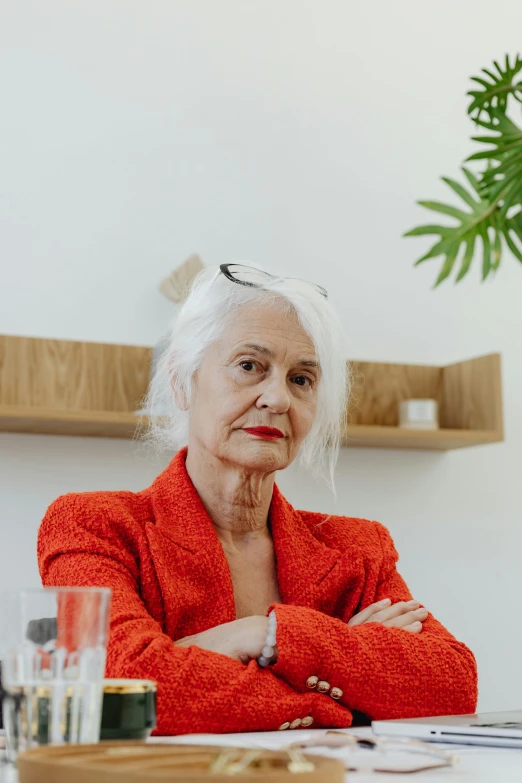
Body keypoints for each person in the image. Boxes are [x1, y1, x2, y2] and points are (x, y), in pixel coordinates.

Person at [38, 264, 477, 735]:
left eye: (302, 379)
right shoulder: (92, 524)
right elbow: (121, 687)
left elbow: (452, 684)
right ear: (182, 381)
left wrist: (266, 636)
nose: (278, 398)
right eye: (250, 366)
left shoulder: (359, 547)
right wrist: (344, 693)